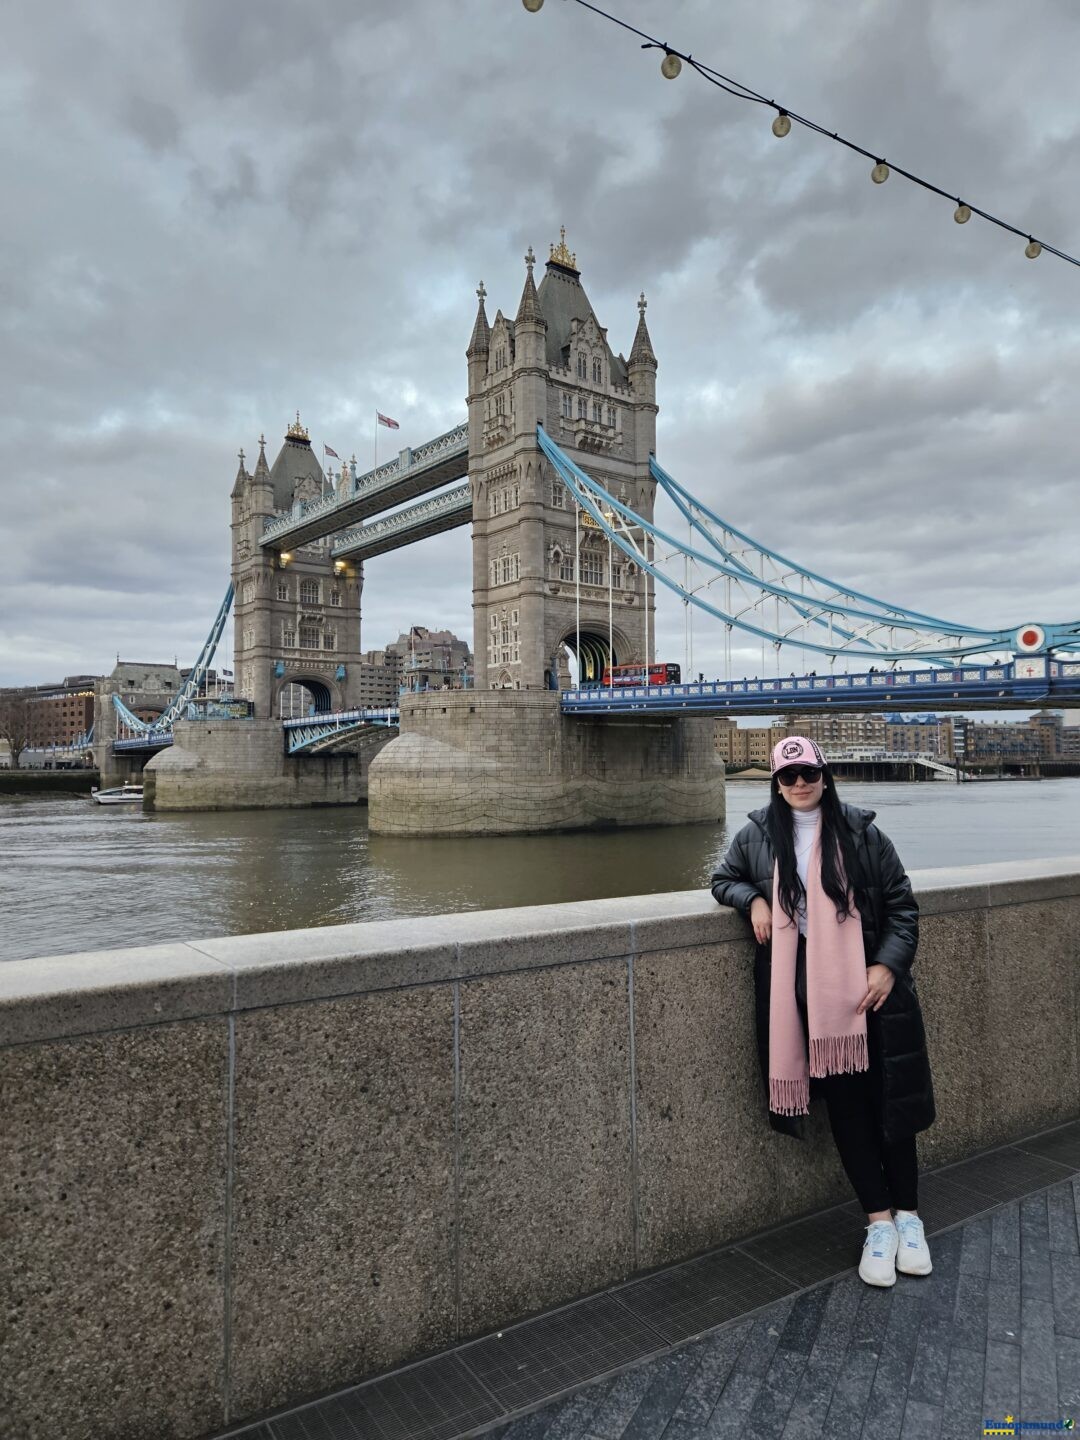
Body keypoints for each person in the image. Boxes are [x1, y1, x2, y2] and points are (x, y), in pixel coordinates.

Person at [710, 735, 935, 1288]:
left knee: (891, 1105)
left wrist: (887, 967)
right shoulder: (758, 835)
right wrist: (755, 899)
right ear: (776, 784)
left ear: (826, 775)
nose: (800, 784)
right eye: (788, 777)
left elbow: (903, 906)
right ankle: (878, 1223)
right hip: (807, 1002)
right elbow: (722, 879)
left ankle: (910, 1218)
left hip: (872, 995)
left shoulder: (863, 834)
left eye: (809, 772)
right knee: (848, 1112)